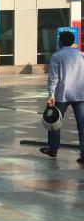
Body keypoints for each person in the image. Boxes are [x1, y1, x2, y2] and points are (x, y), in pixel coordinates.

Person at [41, 30, 84, 163]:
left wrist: (51, 94)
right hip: (80, 94)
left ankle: (53, 149)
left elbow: (53, 77)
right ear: (72, 42)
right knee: (82, 124)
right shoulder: (81, 55)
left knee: (54, 121)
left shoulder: (57, 56)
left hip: (62, 95)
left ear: (60, 41)